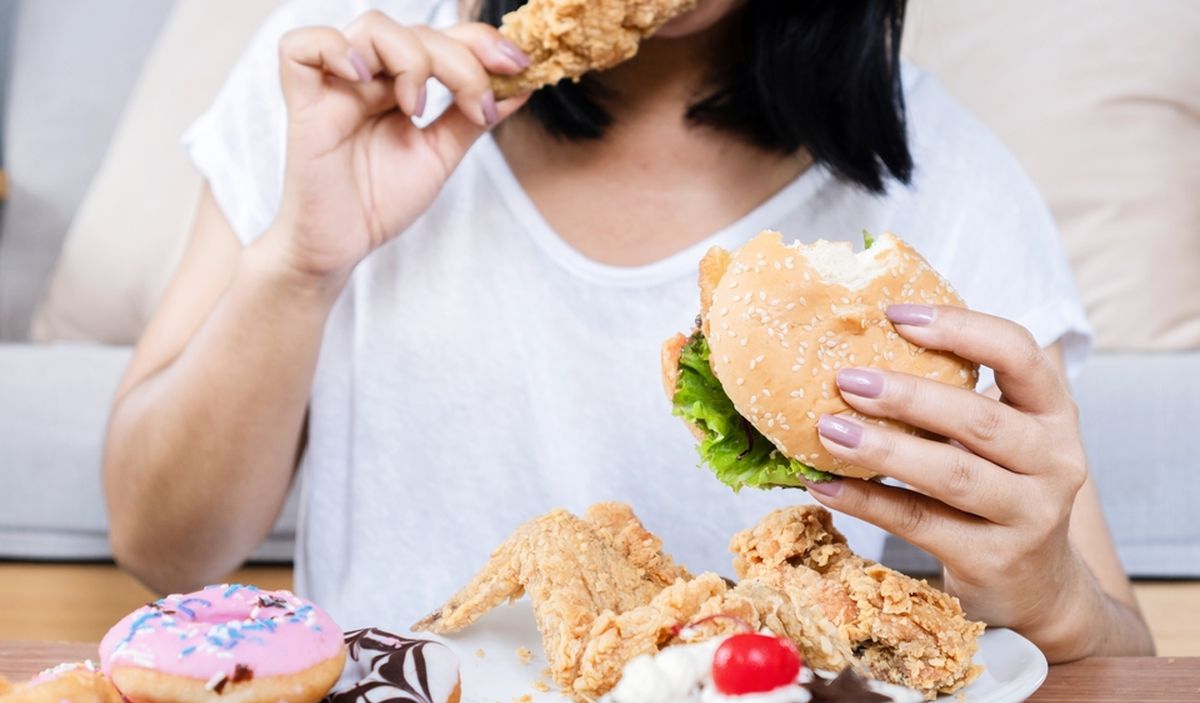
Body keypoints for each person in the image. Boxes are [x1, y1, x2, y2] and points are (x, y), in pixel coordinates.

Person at [102, 0, 1153, 660]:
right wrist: (299, 263)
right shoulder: (334, 71)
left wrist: (1048, 590)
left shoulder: (949, 187)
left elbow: (1117, 652)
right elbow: (163, 546)